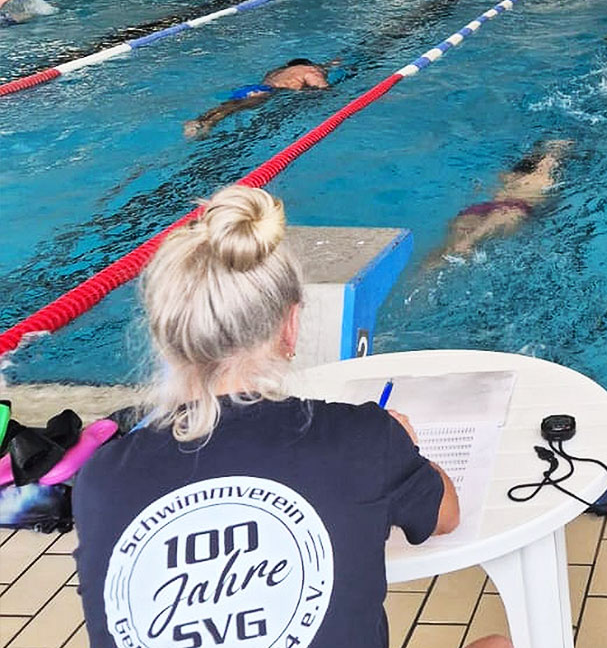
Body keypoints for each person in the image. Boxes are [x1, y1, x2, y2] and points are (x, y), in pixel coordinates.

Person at [70, 185, 510, 648]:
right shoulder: (359, 438)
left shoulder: (102, 478)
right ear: (290, 324)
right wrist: (400, 447)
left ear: (165, 335)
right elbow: (446, 514)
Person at [438, 140, 571, 260]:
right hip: (514, 209)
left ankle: (421, 278)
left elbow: (482, 188)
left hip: (484, 206)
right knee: (487, 226)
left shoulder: (508, 175)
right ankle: (467, 243)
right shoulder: (547, 179)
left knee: (445, 250)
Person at [184, 58, 330, 138]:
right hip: (264, 93)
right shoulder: (311, 71)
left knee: (229, 107)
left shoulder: (277, 72)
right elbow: (322, 89)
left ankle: (201, 121)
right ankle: (206, 124)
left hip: (250, 88)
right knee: (236, 107)